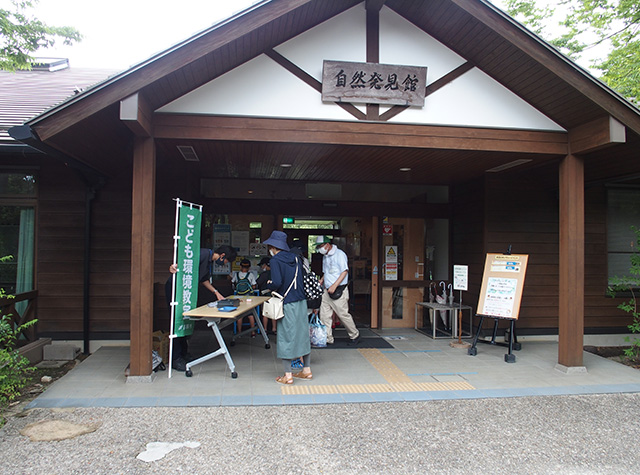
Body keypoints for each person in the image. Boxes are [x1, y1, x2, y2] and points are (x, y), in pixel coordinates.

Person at [168, 244, 237, 370]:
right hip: (176, 289)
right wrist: (174, 266)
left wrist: (216, 293)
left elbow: (204, 280)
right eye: (227, 260)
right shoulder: (203, 253)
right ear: (222, 256)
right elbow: (184, 262)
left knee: (184, 320)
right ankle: (176, 358)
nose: (226, 263)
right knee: (177, 321)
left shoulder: (209, 260)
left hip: (186, 292)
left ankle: (184, 353)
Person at [264, 230, 312, 384]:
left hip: (287, 302)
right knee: (303, 335)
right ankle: (307, 370)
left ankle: (288, 375)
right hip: (301, 301)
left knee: (286, 337)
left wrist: (270, 285)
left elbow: (277, 282)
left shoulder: (275, 260)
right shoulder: (296, 258)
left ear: (273, 246)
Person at [315, 235, 360, 346]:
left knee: (343, 314)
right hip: (326, 290)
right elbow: (327, 272)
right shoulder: (325, 256)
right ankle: (327, 338)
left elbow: (344, 271)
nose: (320, 249)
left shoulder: (340, 254)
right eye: (318, 247)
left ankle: (354, 335)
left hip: (338, 290)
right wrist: (321, 281)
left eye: (321, 246)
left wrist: (334, 285)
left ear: (328, 245)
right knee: (324, 315)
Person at [232, 258, 257, 335]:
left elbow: (233, 283)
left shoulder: (236, 275)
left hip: (239, 297)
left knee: (239, 315)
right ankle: (253, 332)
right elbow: (253, 286)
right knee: (250, 314)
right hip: (248, 297)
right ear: (249, 267)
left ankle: (239, 332)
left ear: (240, 266)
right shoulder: (251, 275)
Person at [256, 256, 276, 335]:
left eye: (262, 265)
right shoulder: (275, 273)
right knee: (274, 313)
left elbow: (257, 283)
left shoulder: (264, 274)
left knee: (265, 313)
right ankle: (274, 329)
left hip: (264, 296)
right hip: (274, 295)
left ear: (265, 265)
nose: (261, 267)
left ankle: (265, 329)